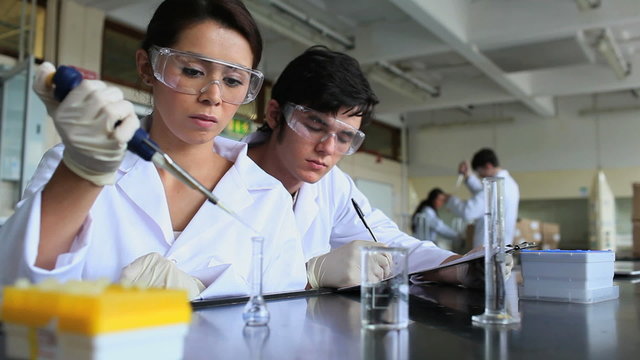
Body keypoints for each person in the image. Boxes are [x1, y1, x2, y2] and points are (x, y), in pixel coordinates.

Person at [0, 0, 307, 300]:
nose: (214, 96)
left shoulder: (268, 198)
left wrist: (205, 296)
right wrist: (83, 173)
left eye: (232, 80)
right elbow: (13, 290)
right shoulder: (72, 166)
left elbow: (282, 326)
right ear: (148, 68)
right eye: (192, 71)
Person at [246, 46, 484, 289]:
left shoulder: (332, 184)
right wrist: (307, 276)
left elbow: (387, 243)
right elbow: (212, 283)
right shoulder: (220, 176)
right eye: (315, 125)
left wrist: (460, 266)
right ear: (275, 115)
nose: (328, 148)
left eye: (345, 137)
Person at [446, 148, 520, 247]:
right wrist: (468, 177)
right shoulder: (511, 184)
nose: (480, 176)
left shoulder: (494, 186)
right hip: (502, 247)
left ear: (488, 166)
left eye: (479, 171)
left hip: (488, 250)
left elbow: (468, 211)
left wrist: (450, 200)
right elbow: (484, 196)